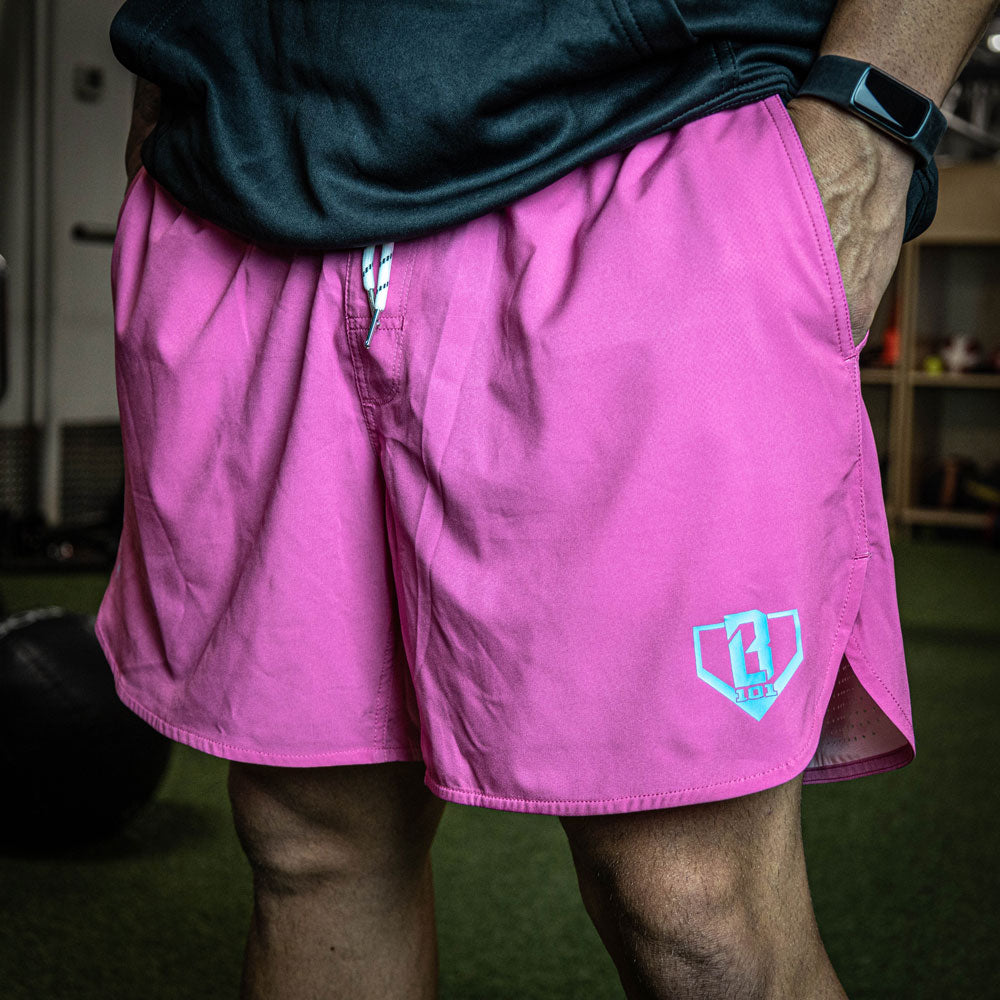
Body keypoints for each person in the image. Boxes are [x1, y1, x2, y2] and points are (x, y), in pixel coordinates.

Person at [97, 1, 997, 997]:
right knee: (310, 843)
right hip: (250, 179)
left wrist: (873, 118)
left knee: (693, 903)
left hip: (645, 134)